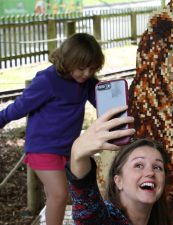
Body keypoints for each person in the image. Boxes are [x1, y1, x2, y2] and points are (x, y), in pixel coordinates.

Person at [0, 33, 104, 225]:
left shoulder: (86, 82)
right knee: (59, 195)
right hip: (43, 148)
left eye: (92, 68)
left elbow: (103, 103)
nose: (87, 73)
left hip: (67, 150)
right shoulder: (47, 80)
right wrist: (2, 119)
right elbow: (21, 105)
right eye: (82, 68)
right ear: (68, 61)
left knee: (55, 196)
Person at [66, 106, 171, 225]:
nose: (150, 173)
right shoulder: (106, 219)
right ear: (118, 181)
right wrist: (77, 153)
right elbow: (87, 212)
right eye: (138, 165)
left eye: (157, 167)